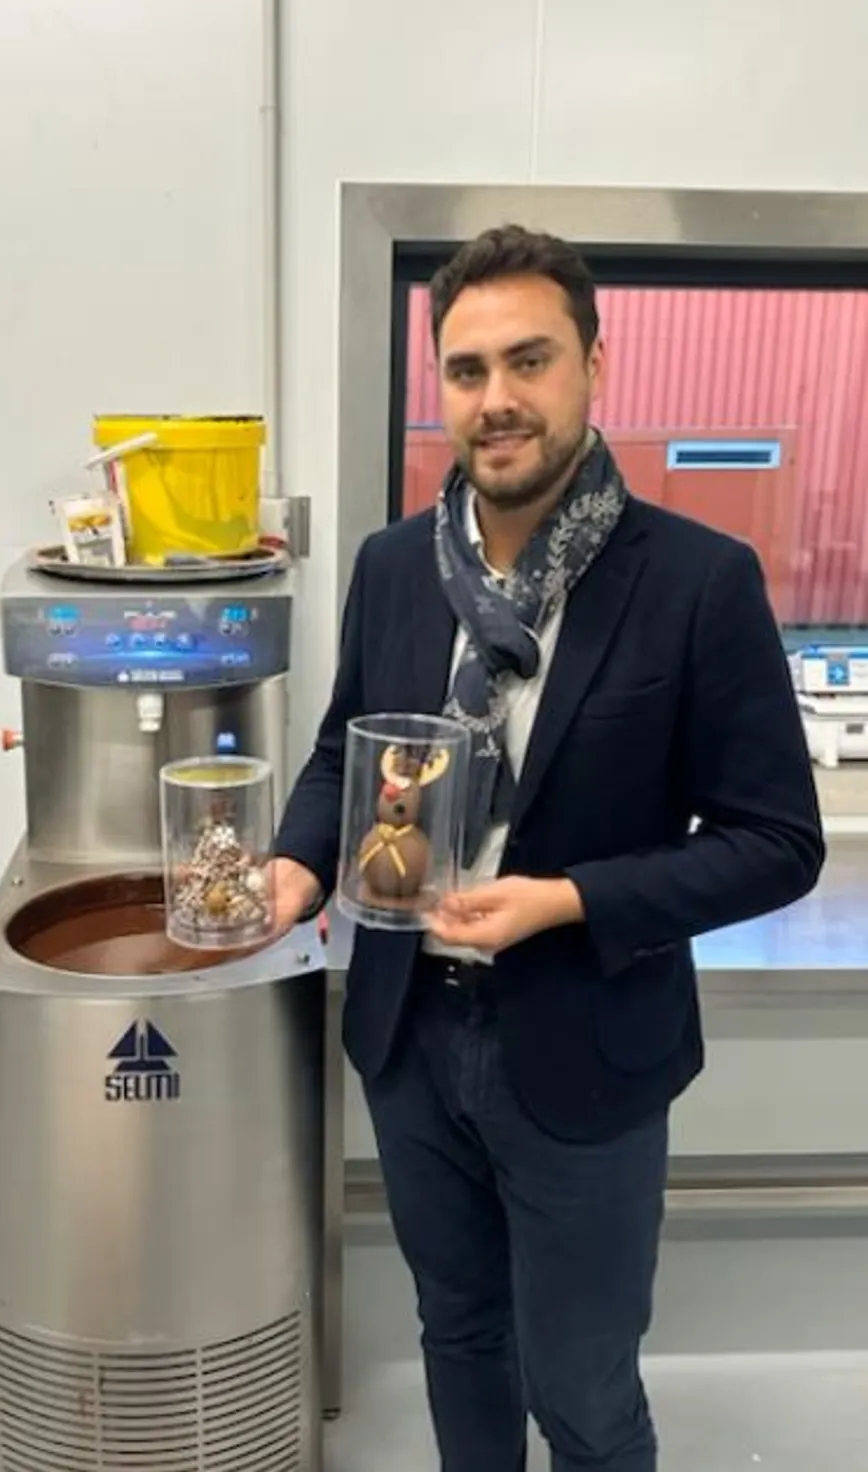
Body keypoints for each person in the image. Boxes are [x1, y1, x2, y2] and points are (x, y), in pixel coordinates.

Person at [268, 223, 825, 1472]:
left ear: (592, 366)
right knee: (456, 1336)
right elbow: (338, 759)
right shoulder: (395, 565)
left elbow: (775, 842)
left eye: (529, 360)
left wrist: (566, 897)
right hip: (410, 1035)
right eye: (465, 371)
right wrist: (298, 863)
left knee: (579, 1384)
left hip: (583, 1049)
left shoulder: (694, 581)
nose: (496, 399)